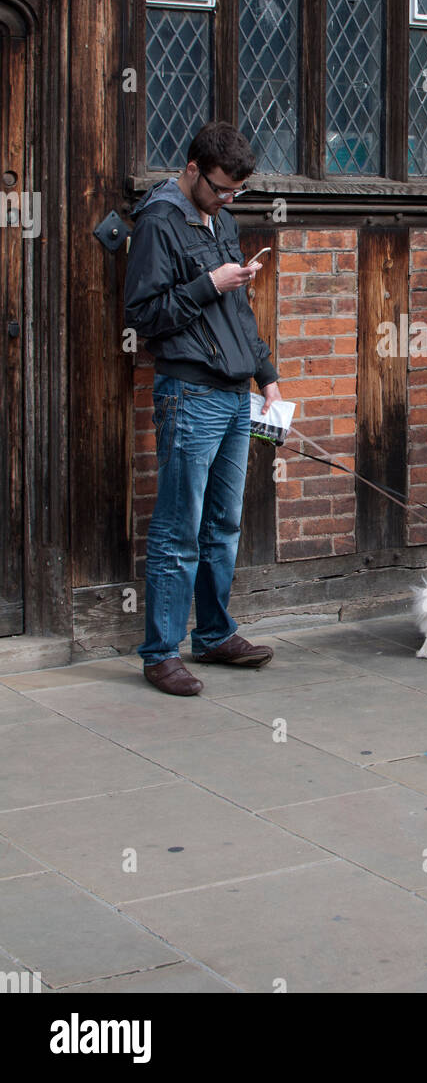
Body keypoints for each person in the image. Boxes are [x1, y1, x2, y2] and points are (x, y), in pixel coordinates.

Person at [124, 122, 282, 696]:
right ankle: (161, 653)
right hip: (189, 395)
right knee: (178, 530)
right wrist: (208, 284)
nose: (227, 200)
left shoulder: (222, 219)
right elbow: (143, 316)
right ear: (192, 170)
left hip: (236, 395)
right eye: (220, 189)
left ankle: (213, 634)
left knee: (224, 525)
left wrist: (265, 376)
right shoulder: (158, 222)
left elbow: (238, 309)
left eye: (235, 192)